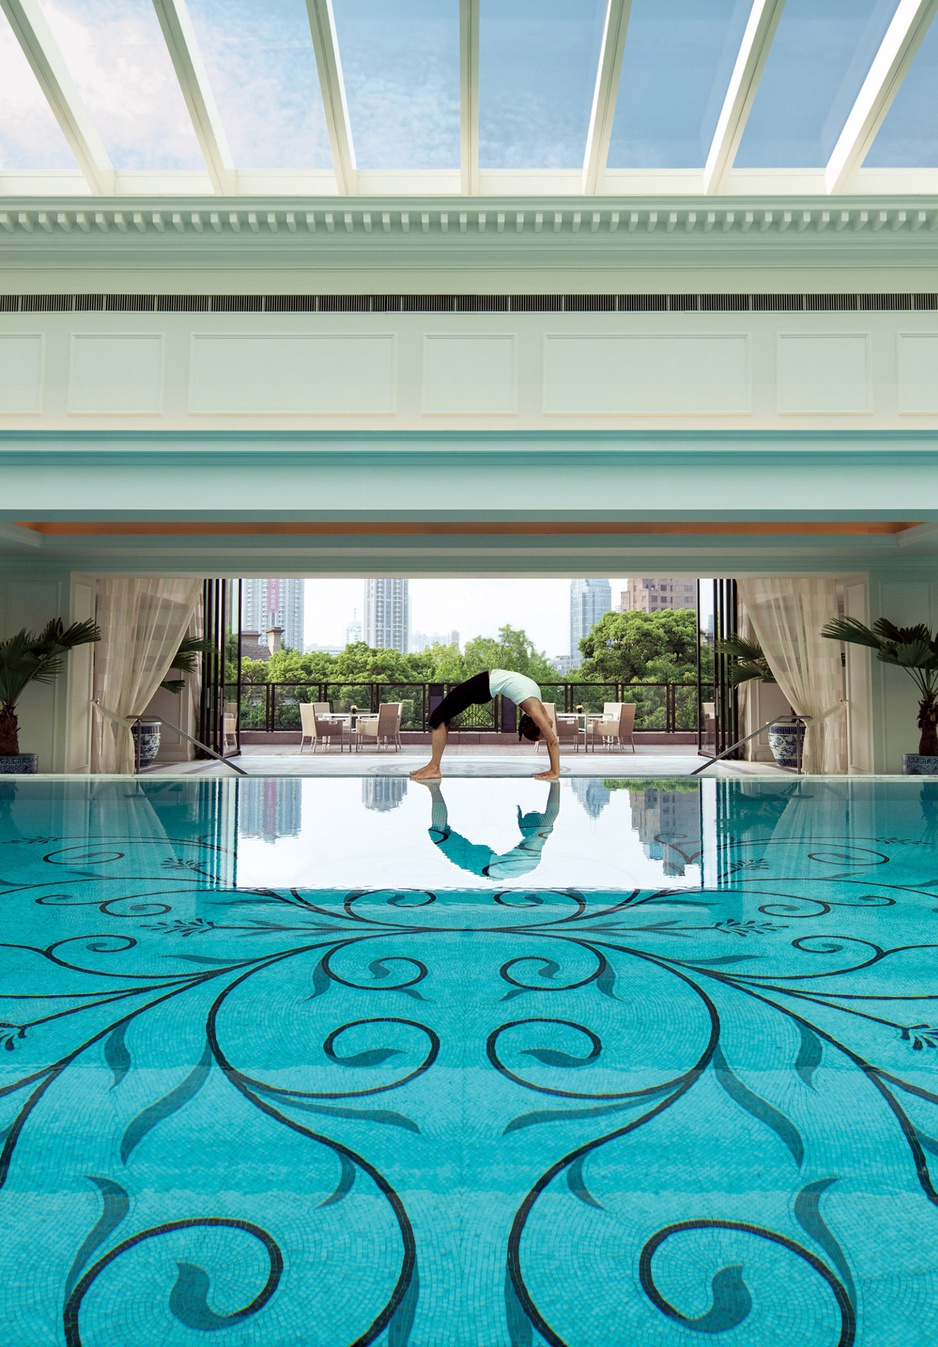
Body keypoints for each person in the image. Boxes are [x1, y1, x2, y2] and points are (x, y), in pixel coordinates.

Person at [409, 668, 560, 781]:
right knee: (438, 717)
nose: (546, 732)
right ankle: (433, 767)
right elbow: (553, 741)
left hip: (484, 684)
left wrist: (553, 769)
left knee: (440, 716)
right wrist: (555, 771)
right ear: (537, 725)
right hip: (482, 686)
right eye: (542, 734)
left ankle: (434, 767)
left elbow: (550, 727)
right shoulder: (535, 710)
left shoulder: (538, 703)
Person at [419, 779, 560, 880]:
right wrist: (555, 782)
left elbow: (552, 813)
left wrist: (555, 782)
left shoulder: (538, 838)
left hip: (491, 866)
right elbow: (551, 813)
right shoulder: (537, 840)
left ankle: (434, 787)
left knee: (440, 834)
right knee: (440, 834)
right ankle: (434, 788)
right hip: (492, 867)